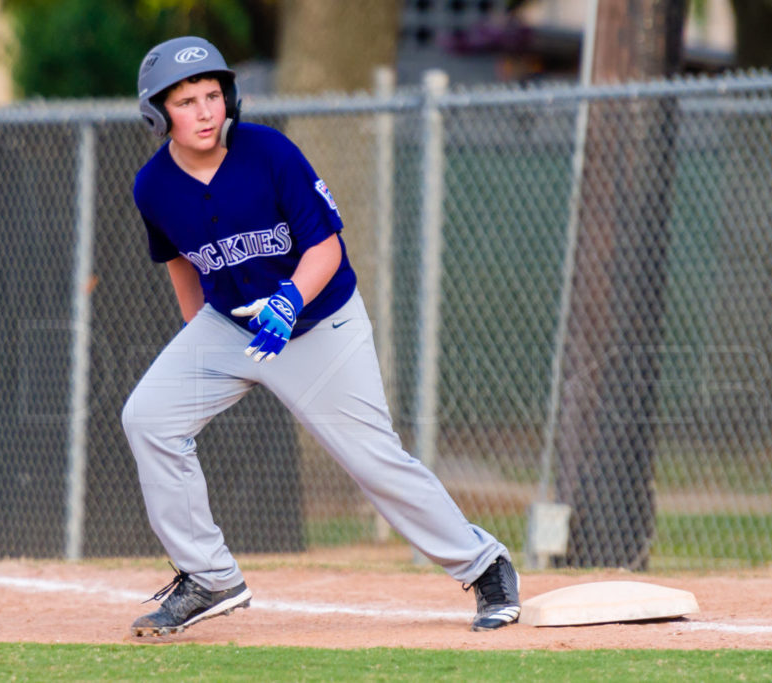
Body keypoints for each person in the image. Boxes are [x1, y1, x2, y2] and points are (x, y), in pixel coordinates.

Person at [122, 36, 520, 637]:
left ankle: (485, 565)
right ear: (158, 114)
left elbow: (325, 246)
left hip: (318, 323)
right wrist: (200, 344)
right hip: (228, 326)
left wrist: (289, 300)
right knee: (148, 418)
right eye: (186, 101)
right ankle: (208, 576)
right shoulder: (152, 187)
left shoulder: (269, 152)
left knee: (372, 459)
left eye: (212, 95)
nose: (205, 112)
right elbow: (181, 261)